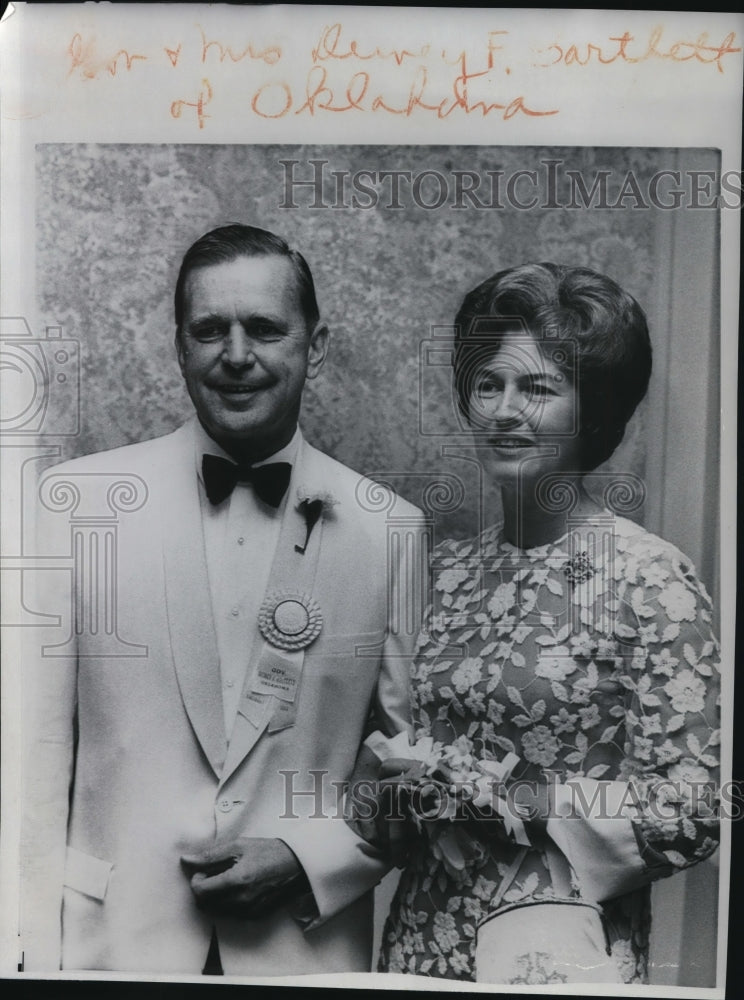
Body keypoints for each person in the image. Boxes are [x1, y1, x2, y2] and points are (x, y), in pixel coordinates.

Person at [20, 224, 425, 975]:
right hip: (105, 950)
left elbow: (409, 766)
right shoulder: (76, 503)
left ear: (317, 344)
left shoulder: (391, 529)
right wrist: (22, 952)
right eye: (210, 330)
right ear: (180, 346)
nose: (236, 356)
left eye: (265, 329)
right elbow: (33, 751)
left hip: (302, 952)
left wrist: (311, 858)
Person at [349, 262, 720, 984]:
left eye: (539, 388)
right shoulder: (444, 571)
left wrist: (523, 798)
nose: (505, 410)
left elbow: (692, 814)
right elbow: (399, 754)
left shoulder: (649, 579)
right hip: (423, 938)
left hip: (558, 945)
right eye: (489, 384)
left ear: (594, 412)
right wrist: (398, 787)